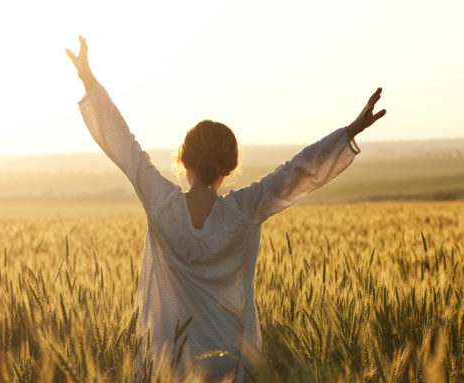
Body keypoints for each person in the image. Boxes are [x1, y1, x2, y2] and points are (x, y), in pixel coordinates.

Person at [66, 35, 386, 382]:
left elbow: (124, 145)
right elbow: (297, 171)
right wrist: (350, 132)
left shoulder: (161, 204)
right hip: (230, 363)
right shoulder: (244, 211)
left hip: (169, 363)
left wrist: (89, 80)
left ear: (182, 160)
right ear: (229, 168)